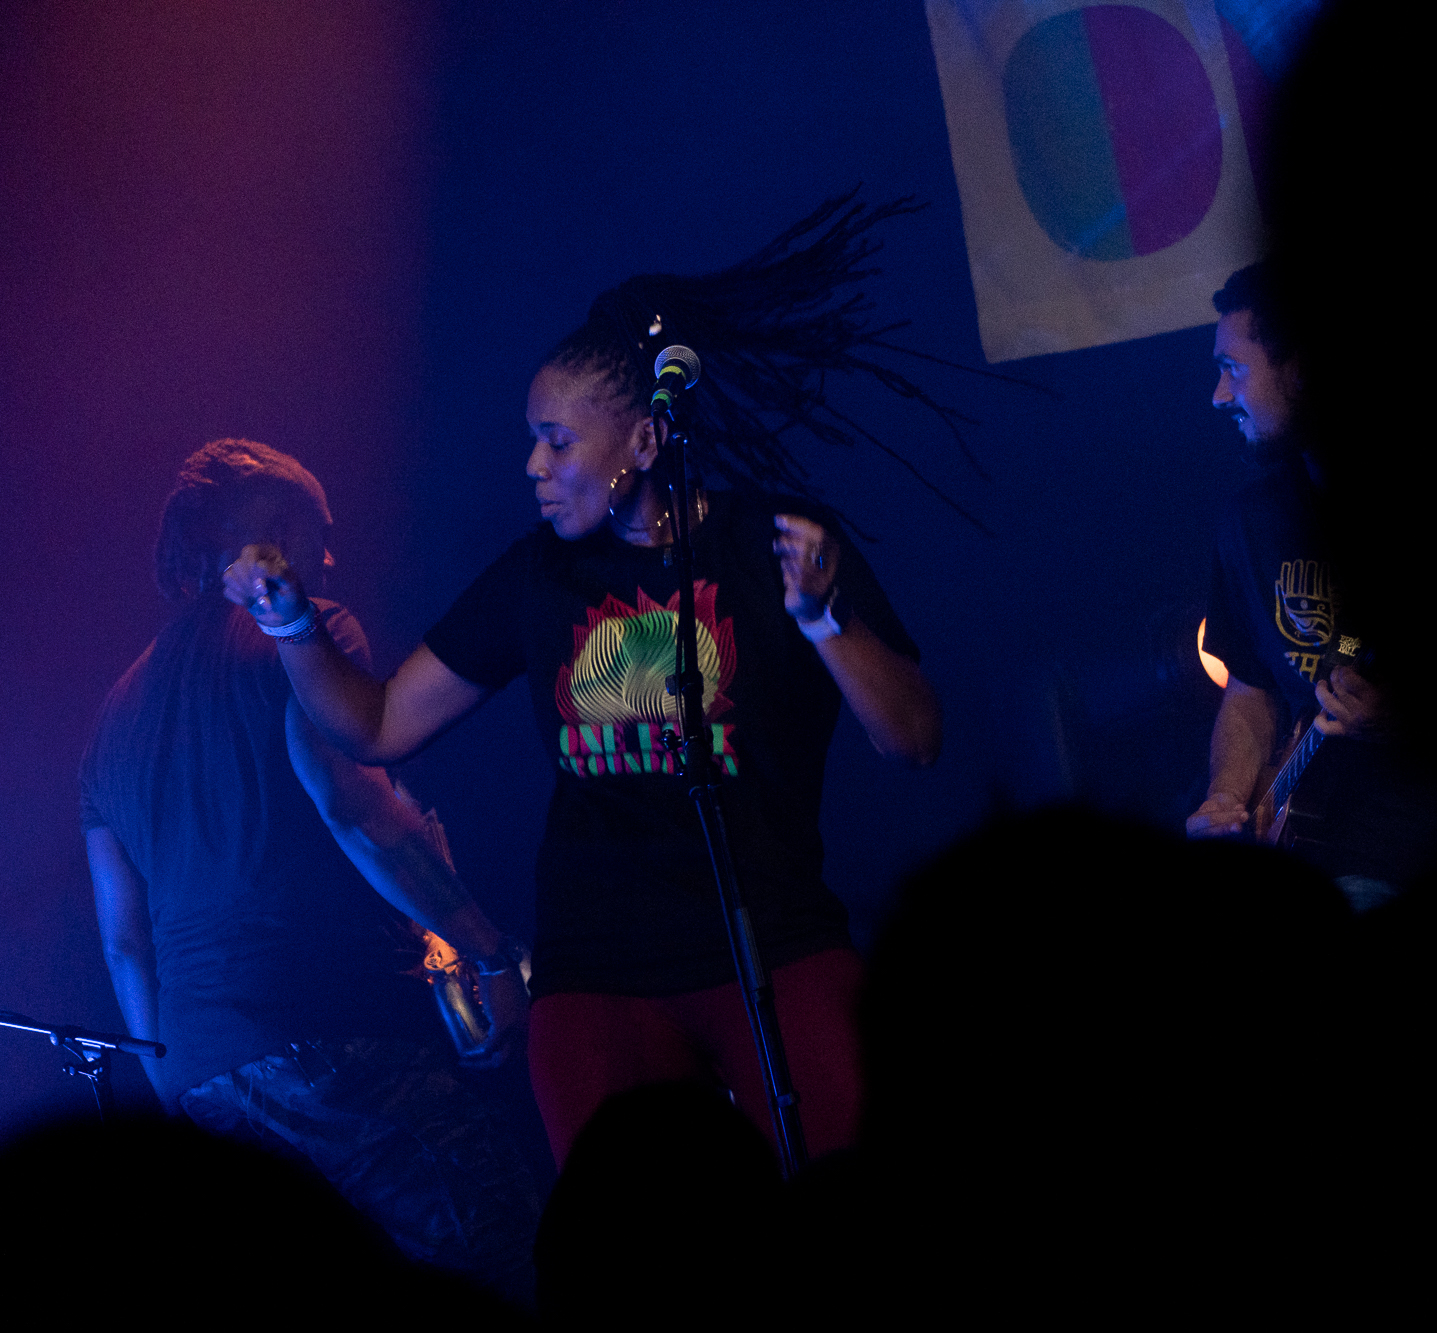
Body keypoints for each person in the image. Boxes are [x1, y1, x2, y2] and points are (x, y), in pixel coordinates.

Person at [223, 198, 945, 1165]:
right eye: (534, 439)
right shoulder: (540, 575)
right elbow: (379, 724)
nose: (533, 465)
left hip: (773, 941)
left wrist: (822, 618)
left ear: (644, 443)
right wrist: (291, 624)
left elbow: (914, 740)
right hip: (598, 967)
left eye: (558, 441)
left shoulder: (771, 545)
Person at [82, 439, 539, 1303]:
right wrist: (488, 952)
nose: (328, 557)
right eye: (319, 532)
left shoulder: (111, 716)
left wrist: (178, 1084)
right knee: (506, 1258)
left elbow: (124, 943)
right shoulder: (304, 631)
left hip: (202, 1071)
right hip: (331, 1026)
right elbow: (353, 809)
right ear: (275, 530)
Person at [1183, 263, 1436, 907]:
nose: (1217, 396)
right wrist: (1229, 797)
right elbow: (1250, 690)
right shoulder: (1250, 522)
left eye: (1233, 369)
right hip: (1315, 852)